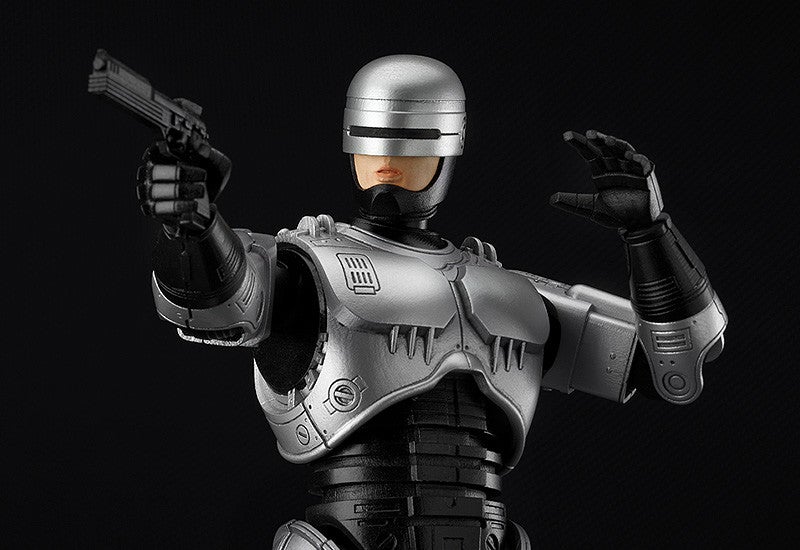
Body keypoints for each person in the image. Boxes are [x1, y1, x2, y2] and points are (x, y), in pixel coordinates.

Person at [136, 55, 727, 550]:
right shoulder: (312, 266)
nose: (388, 168)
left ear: (447, 152)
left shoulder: (508, 292)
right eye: (373, 147)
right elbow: (220, 297)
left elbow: (673, 366)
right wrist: (190, 222)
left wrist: (650, 237)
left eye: (413, 149)